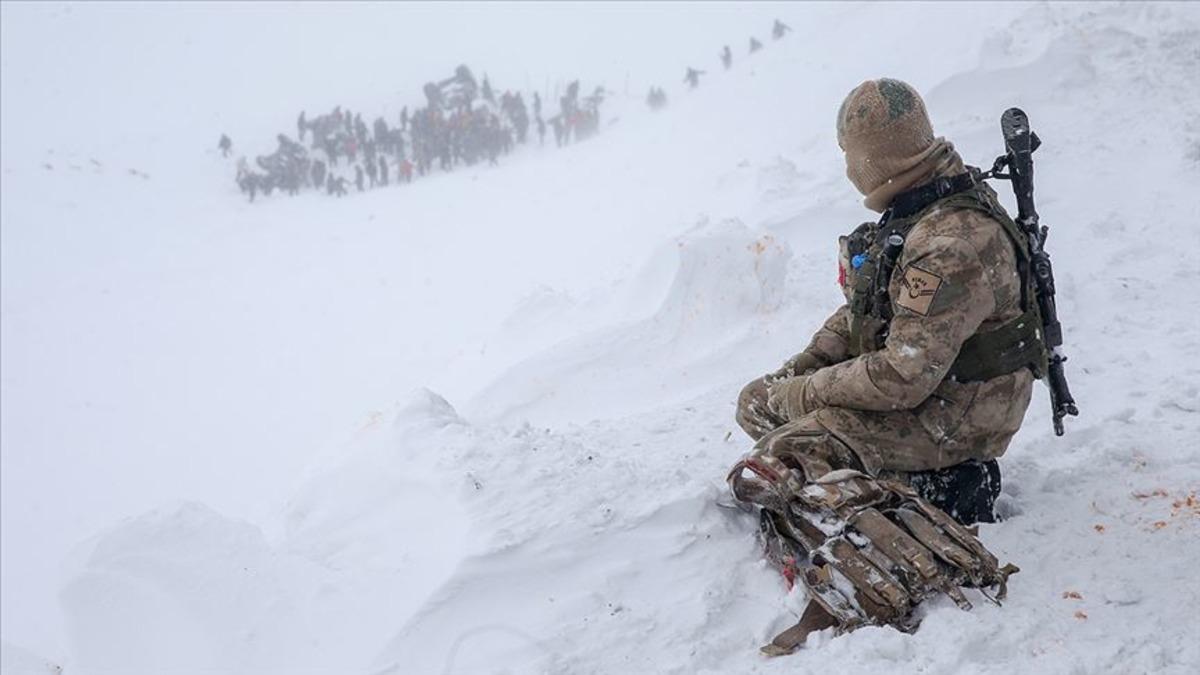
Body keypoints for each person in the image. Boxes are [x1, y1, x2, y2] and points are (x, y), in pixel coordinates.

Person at [728, 78, 1036, 651]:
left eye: (850, 157)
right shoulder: (918, 206)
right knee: (758, 405)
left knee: (788, 452)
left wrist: (807, 393)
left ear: (870, 160)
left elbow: (903, 375)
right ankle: (894, 481)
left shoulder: (947, 243)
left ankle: (922, 516)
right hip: (933, 388)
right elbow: (865, 311)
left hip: (962, 414)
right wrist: (802, 368)